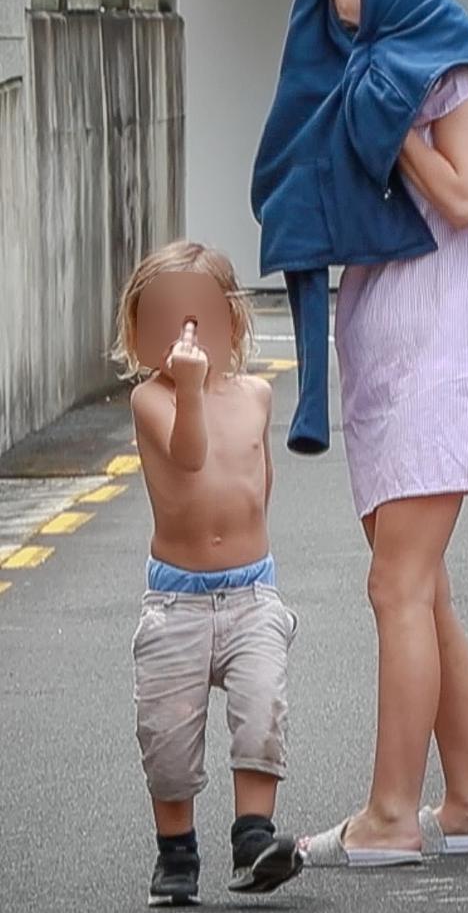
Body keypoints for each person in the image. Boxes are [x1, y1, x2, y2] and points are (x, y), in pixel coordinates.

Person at [255, 0, 468, 867]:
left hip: (442, 356)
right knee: (426, 588)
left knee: (397, 584)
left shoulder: (446, 66)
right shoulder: (379, 66)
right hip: (390, 356)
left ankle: (391, 813)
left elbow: (466, 197)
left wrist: (399, 129)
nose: (343, 8)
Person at [112, 240, 302, 904]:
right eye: (163, 319)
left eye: (198, 317)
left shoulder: (255, 394)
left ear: (231, 323)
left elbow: (258, 477)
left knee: (261, 714)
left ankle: (254, 837)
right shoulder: (153, 399)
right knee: (167, 733)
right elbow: (189, 459)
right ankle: (177, 852)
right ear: (137, 334)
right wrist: (188, 388)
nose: (183, 332)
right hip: (177, 604)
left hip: (251, 591)